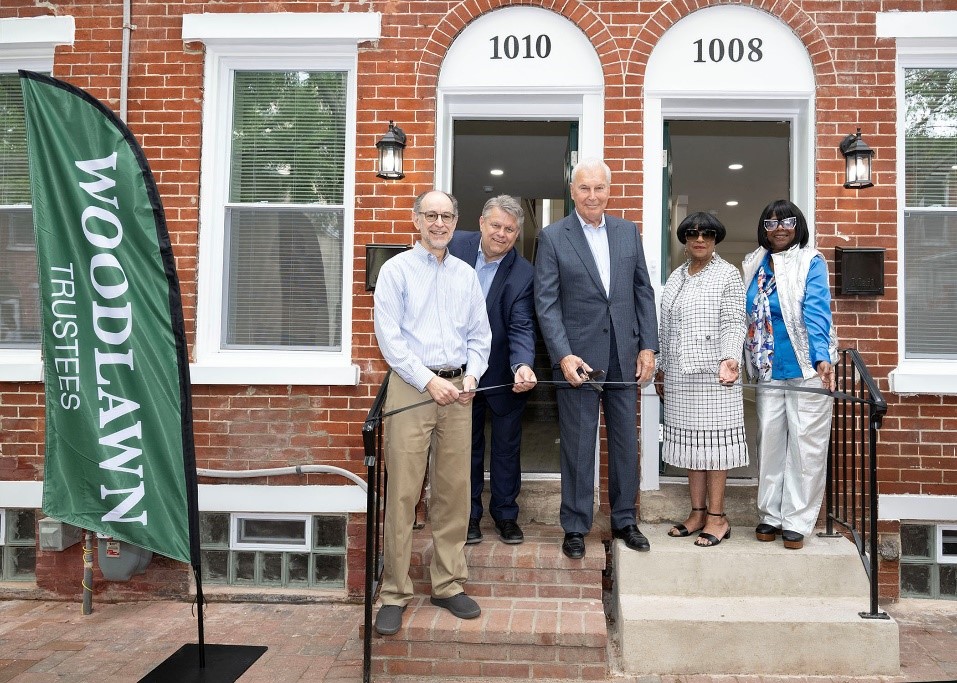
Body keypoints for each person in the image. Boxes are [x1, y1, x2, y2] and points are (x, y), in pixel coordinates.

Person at [372, 190, 492, 635]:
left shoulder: (466, 275)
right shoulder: (395, 272)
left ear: (455, 221)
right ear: (416, 219)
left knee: (454, 490)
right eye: (431, 216)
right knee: (403, 491)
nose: (439, 223)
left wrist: (473, 377)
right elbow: (390, 340)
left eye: (447, 216)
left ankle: (447, 583)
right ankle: (394, 592)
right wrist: (428, 380)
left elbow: (481, 335)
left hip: (460, 391)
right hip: (412, 388)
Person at [534, 158, 659, 559]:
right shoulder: (553, 237)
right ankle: (574, 525)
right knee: (577, 441)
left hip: (625, 354)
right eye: (584, 188)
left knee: (625, 443)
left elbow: (643, 292)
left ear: (609, 190)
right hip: (579, 360)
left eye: (599, 188)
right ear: (573, 192)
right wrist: (563, 355)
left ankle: (624, 519)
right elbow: (547, 303)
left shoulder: (627, 232)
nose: (592, 195)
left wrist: (648, 347)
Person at [743, 199, 838, 551]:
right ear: (763, 229)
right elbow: (746, 315)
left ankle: (796, 520)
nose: (779, 228)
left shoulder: (811, 260)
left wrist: (821, 358)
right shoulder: (753, 263)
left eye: (786, 221)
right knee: (769, 441)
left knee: (804, 444)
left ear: (797, 225)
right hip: (768, 368)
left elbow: (816, 308)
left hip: (807, 368)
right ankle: (770, 514)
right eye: (770, 223)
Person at [448, 195, 537, 546]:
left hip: (502, 372)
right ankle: (468, 517)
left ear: (517, 234)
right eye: (496, 226)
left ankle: (505, 516)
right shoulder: (453, 247)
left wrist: (523, 365)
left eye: (510, 230)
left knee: (506, 449)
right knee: (464, 448)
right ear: (482, 222)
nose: (502, 234)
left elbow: (521, 324)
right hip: (456, 372)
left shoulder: (525, 273)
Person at [655, 212, 748, 548]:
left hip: (715, 376)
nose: (700, 239)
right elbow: (664, 328)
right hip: (680, 378)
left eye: (707, 234)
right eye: (693, 233)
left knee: (715, 450)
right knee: (692, 448)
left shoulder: (728, 275)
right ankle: (697, 513)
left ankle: (718, 518)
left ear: (715, 239)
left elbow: (734, 322)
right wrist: (662, 367)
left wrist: (730, 359)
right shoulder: (676, 277)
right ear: (685, 239)